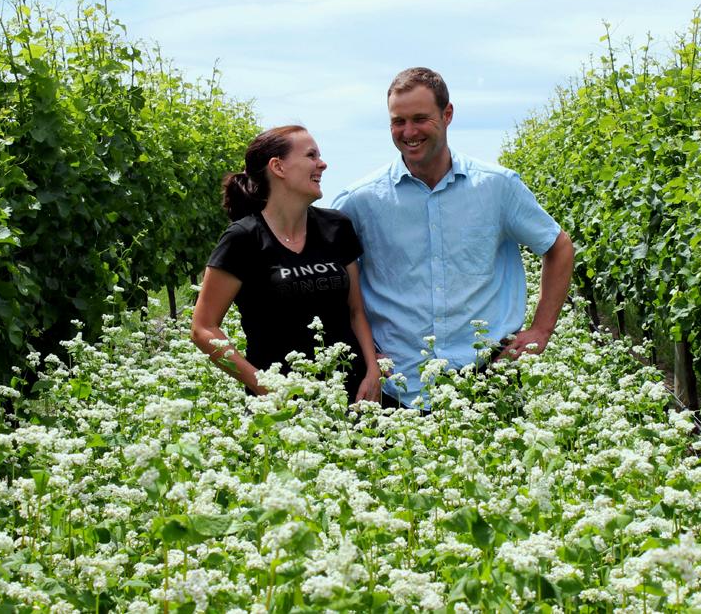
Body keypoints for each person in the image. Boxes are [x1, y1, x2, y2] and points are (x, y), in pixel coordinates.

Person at [331, 67, 575, 409]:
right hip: (396, 387)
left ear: (447, 114)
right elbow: (335, 282)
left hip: (490, 380)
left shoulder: (497, 187)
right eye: (398, 121)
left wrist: (541, 329)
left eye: (420, 119)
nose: (409, 132)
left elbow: (558, 246)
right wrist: (364, 353)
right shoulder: (360, 200)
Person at [191, 125, 382, 403]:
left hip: (351, 398)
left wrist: (372, 371)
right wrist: (265, 387)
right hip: (281, 408)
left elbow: (355, 311)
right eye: (311, 155)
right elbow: (203, 328)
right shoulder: (243, 239)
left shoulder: (337, 227)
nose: (323, 164)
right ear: (278, 167)